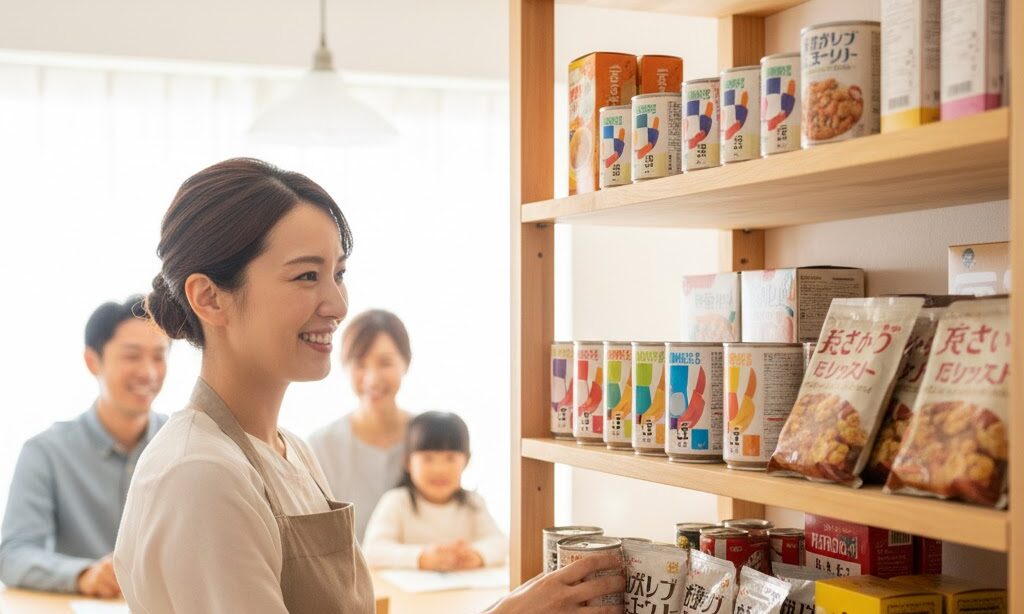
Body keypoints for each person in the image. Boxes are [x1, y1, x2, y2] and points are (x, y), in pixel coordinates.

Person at [113, 158, 624, 614]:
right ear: (209, 298)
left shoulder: (292, 452)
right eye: (306, 276)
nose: (337, 304)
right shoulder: (200, 474)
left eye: (338, 273)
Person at [0, 296, 169, 596]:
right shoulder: (45, 452)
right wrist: (83, 575)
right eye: (132, 356)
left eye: (159, 356)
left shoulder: (183, 447)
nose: (148, 372)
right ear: (93, 361)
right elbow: (12, 555)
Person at [309, 309, 412, 542]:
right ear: (345, 368)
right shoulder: (321, 447)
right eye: (360, 364)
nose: (372, 379)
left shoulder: (428, 437)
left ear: (406, 363)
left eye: (385, 363)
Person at [362, 411, 506, 570]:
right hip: (407, 593)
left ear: (466, 461)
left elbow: (499, 543)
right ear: (408, 462)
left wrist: (477, 554)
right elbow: (372, 551)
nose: (439, 469)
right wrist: (421, 557)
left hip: (463, 592)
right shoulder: (397, 501)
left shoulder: (473, 502)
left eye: (450, 458)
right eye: (428, 458)